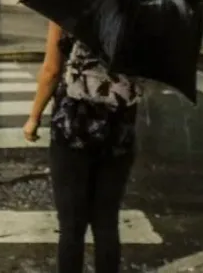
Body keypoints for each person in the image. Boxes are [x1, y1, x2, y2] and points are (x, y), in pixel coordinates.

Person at [24, 22, 142, 273]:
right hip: (119, 125)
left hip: (75, 124)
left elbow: (52, 70)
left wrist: (34, 117)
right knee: (107, 222)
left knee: (71, 226)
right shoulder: (138, 11)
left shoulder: (68, 7)